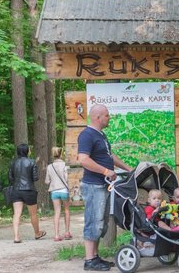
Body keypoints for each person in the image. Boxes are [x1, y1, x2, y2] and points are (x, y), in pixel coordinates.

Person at [78, 104, 132, 271]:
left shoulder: (101, 135)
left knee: (100, 222)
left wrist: (129, 169)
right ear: (98, 117)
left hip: (103, 185)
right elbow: (83, 159)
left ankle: (94, 257)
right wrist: (106, 171)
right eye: (107, 115)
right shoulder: (87, 135)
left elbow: (110, 156)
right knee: (93, 221)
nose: (109, 118)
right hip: (93, 185)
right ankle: (89, 260)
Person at [8, 143, 46, 243]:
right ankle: (37, 233)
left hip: (16, 190)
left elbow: (10, 178)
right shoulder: (32, 162)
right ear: (27, 151)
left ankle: (16, 237)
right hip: (29, 190)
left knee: (16, 214)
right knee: (33, 214)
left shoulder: (13, 163)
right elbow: (35, 178)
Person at [45, 146, 72, 242]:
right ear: (61, 154)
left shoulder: (49, 167)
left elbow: (47, 181)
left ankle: (56, 235)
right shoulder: (65, 165)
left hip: (54, 191)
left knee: (57, 212)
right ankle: (67, 232)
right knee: (67, 211)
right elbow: (67, 179)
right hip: (64, 190)